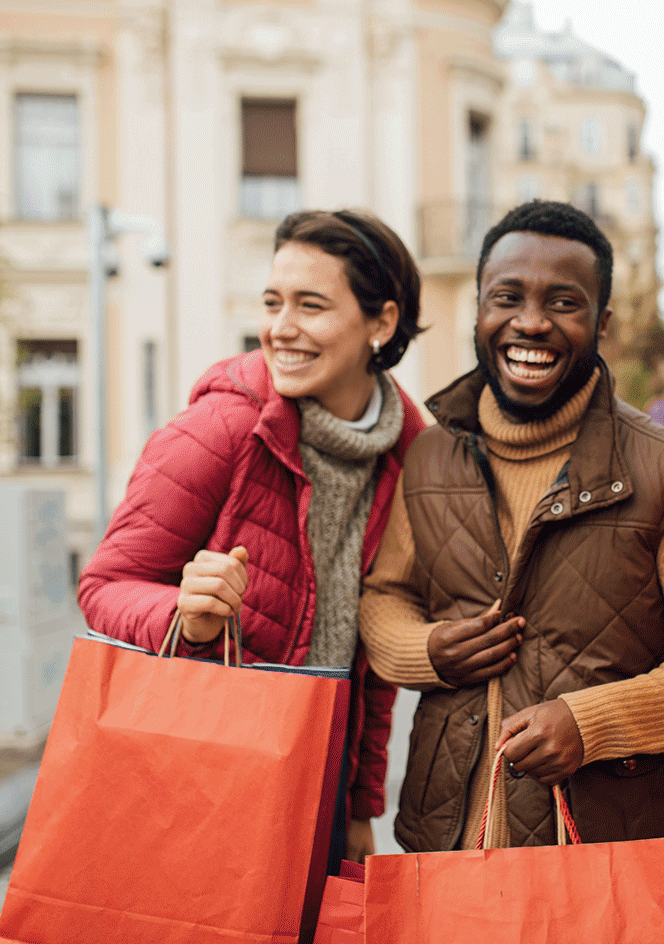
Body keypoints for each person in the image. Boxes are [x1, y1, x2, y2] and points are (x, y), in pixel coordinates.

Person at [358, 200, 664, 886]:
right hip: (447, 842)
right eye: (507, 297)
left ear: (602, 323)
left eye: (564, 302)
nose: (531, 322)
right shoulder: (430, 456)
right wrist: (423, 651)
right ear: (480, 311)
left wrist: (592, 722)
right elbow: (384, 598)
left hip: (605, 859)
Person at [78, 209, 428, 863]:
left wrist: (359, 806)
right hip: (198, 782)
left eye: (311, 305)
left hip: (317, 791)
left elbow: (370, 660)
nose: (280, 328)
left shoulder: (409, 454)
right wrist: (186, 616)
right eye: (273, 302)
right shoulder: (222, 429)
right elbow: (105, 583)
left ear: (381, 322)